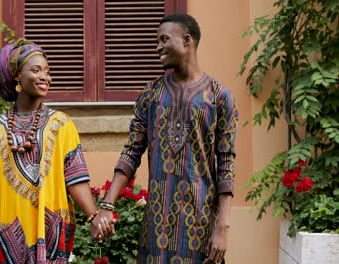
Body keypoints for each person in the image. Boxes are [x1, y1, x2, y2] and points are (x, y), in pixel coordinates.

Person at [92, 13, 238, 264]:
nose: (157, 46)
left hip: (201, 227)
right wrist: (106, 205)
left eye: (164, 39)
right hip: (156, 230)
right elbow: (132, 153)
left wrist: (223, 227)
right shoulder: (151, 94)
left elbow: (226, 163)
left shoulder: (219, 97)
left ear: (187, 40)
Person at [0, 39, 108, 264]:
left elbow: (74, 177)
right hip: (6, 234)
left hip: (53, 232)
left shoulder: (61, 124)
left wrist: (94, 216)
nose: (45, 77)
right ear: (17, 78)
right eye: (36, 70)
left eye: (47, 71)